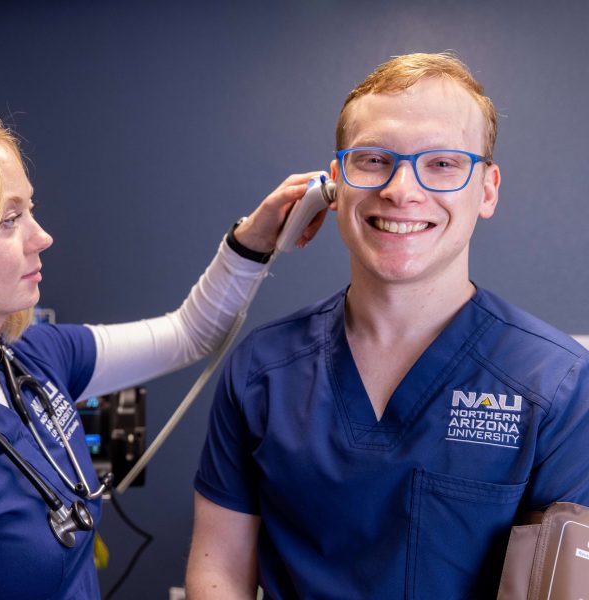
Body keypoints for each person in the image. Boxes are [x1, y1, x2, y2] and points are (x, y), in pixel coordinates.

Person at [0, 104, 322, 599]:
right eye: (9, 218)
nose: (41, 237)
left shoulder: (32, 358)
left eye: (30, 210)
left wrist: (254, 240)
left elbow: (190, 333)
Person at [186, 52, 589, 598]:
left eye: (442, 163)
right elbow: (219, 574)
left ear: (487, 189)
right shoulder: (263, 369)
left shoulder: (558, 384)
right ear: (335, 183)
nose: (401, 190)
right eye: (373, 160)